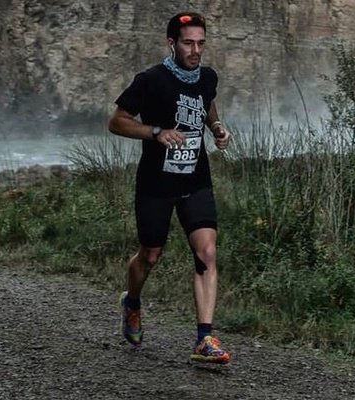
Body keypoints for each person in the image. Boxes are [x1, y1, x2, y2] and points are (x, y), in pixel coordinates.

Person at [108, 11, 231, 364]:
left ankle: (204, 339)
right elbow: (117, 122)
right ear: (171, 43)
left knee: (207, 252)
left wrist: (217, 127)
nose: (196, 50)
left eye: (201, 43)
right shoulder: (150, 80)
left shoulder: (207, 77)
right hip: (156, 183)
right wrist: (156, 132)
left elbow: (207, 102)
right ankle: (132, 302)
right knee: (150, 255)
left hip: (195, 179)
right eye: (188, 43)